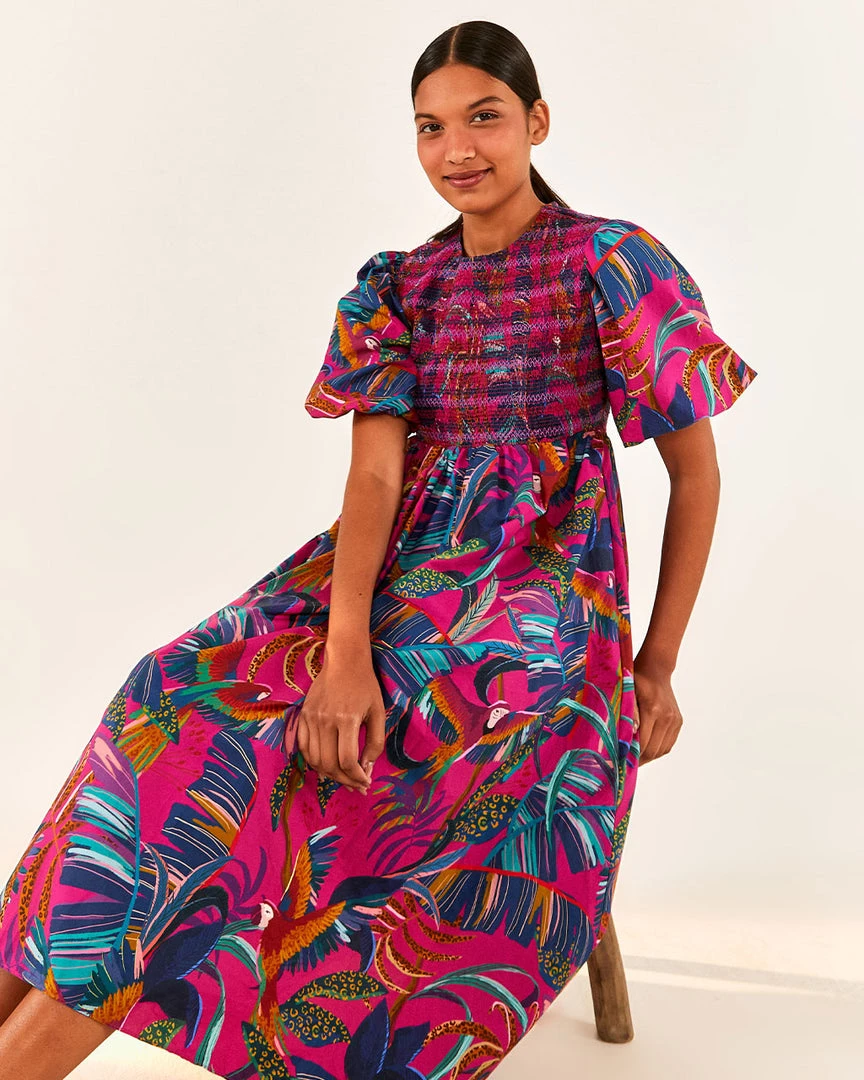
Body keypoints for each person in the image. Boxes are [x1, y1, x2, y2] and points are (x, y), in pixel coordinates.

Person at [0, 19, 758, 1080]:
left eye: (484, 118)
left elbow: (697, 474)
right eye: (430, 127)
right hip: (388, 573)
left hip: (537, 608)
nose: (458, 149)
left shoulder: (611, 261)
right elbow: (371, 480)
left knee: (290, 753)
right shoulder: (400, 284)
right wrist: (344, 647)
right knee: (171, 694)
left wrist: (658, 666)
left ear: (537, 121)